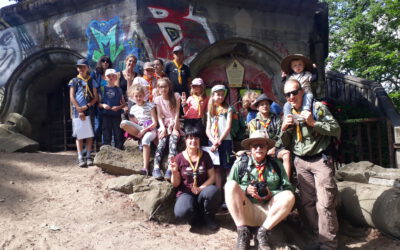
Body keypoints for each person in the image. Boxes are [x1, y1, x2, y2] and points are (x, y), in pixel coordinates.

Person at [281, 79, 340, 250]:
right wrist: (284, 129)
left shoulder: (317, 107)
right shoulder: (288, 112)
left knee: (325, 205)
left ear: (301, 92)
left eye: (294, 92)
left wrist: (314, 123)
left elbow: (336, 129)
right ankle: (317, 238)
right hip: (300, 162)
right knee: (307, 204)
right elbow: (285, 142)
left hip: (320, 159)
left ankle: (329, 245)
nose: (291, 97)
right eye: (287, 94)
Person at [225, 130, 295, 250]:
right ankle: (243, 233)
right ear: (250, 148)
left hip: (269, 213)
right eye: (255, 145)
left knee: (289, 195)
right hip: (247, 211)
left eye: (262, 145)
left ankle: (262, 233)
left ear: (267, 148)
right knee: (230, 185)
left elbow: (288, 188)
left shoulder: (276, 165)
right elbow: (229, 188)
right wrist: (246, 189)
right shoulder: (240, 163)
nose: (258, 148)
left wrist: (270, 194)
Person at [171, 127, 222, 231]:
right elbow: (175, 184)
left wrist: (200, 188)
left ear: (199, 140)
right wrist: (174, 172)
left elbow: (212, 177)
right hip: (186, 193)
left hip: (202, 192)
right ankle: (195, 218)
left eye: (196, 138)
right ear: (185, 140)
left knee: (213, 191)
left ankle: (209, 217)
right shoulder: (179, 158)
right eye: (190, 138)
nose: (193, 141)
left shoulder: (206, 155)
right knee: (181, 213)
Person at [248, 94, 292, 179]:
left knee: (286, 154)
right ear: (257, 108)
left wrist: (274, 148)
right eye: (262, 104)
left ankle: (287, 183)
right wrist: (264, 149)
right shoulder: (253, 122)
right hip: (259, 149)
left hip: (275, 148)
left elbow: (281, 135)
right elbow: (253, 140)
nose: (265, 106)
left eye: (267, 104)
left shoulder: (277, 119)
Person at [120, 85, 157, 175]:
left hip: (149, 128)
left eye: (140, 96)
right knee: (123, 123)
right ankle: (138, 136)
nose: (138, 98)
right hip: (139, 128)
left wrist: (144, 130)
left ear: (144, 95)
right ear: (133, 97)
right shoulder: (133, 108)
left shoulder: (150, 105)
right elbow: (134, 122)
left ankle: (145, 168)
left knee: (145, 140)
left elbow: (155, 123)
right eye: (136, 96)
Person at [68, 59, 98, 168]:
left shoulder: (92, 81)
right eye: (79, 67)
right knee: (80, 135)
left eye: (83, 67)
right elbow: (72, 96)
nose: (81, 69)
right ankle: (80, 157)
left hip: (89, 109)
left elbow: (95, 97)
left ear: (87, 68)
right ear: (77, 69)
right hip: (77, 110)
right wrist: (78, 108)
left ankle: (89, 156)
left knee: (89, 134)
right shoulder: (74, 81)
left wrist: (87, 106)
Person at [153, 77, 181, 180]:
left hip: (174, 122)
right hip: (164, 124)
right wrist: (162, 128)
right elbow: (159, 116)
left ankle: (170, 168)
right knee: (161, 143)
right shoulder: (158, 99)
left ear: (169, 87)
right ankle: (156, 167)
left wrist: (175, 128)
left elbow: (177, 113)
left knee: (173, 143)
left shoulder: (176, 96)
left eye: (165, 86)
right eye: (160, 87)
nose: (163, 89)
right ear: (158, 88)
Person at [205, 85, 233, 190]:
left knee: (227, 167)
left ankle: (228, 192)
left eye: (222, 95)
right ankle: (218, 192)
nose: (220, 97)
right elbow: (207, 129)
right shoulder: (210, 111)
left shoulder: (228, 109)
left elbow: (228, 127)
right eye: (218, 94)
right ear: (212, 95)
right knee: (216, 168)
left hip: (225, 141)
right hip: (212, 142)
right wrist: (213, 141)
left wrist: (219, 141)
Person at [281, 54, 318, 119]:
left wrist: (314, 69)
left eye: (300, 64)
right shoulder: (292, 77)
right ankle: (287, 116)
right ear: (292, 68)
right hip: (295, 95)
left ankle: (305, 110)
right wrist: (284, 78)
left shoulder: (307, 74)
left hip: (306, 92)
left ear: (304, 65)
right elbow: (287, 86)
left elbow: (314, 79)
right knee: (287, 104)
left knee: (308, 96)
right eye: (295, 65)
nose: (298, 67)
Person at [98, 69, 125, 149]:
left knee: (118, 136)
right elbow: (98, 104)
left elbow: (123, 104)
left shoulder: (119, 90)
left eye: (113, 75)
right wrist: (103, 105)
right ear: (105, 78)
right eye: (108, 76)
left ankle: (118, 153)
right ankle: (106, 154)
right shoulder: (102, 89)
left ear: (116, 77)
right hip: (106, 116)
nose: (111, 77)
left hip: (117, 116)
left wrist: (119, 107)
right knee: (106, 136)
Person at [91, 55, 113, 147]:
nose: (105, 62)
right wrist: (96, 97)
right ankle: (89, 146)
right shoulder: (96, 73)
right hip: (98, 104)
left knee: (107, 127)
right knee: (98, 126)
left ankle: (105, 147)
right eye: (103, 61)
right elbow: (90, 85)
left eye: (107, 61)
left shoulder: (112, 74)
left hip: (110, 103)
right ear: (100, 62)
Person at [181, 78, 209, 144]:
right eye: (193, 86)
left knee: (199, 132)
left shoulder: (206, 98)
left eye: (197, 86)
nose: (195, 88)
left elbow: (207, 110)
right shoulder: (190, 98)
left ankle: (200, 147)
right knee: (188, 132)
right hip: (188, 119)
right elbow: (186, 111)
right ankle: (188, 146)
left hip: (198, 119)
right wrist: (184, 103)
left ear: (202, 87)